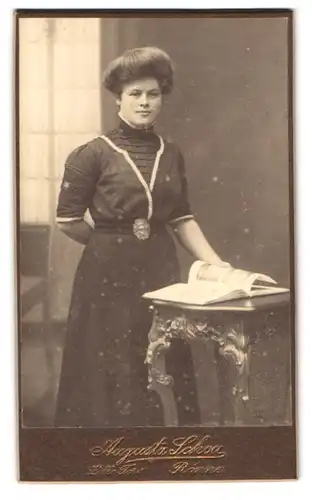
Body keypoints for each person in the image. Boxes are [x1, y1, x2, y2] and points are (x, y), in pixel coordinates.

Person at [54, 46, 231, 428]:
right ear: (118, 97)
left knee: (160, 357)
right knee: (110, 361)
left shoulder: (172, 153)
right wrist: (109, 245)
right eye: (135, 94)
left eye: (152, 94)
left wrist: (218, 263)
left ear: (161, 96)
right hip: (105, 276)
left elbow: (182, 218)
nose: (145, 102)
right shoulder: (90, 154)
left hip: (159, 269)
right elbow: (68, 219)